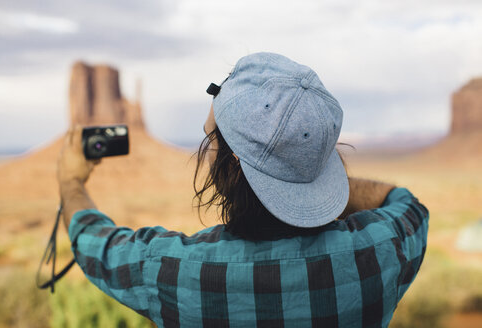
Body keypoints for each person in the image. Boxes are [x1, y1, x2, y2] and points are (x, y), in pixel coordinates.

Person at [57, 52, 429, 328]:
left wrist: (71, 180)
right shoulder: (382, 252)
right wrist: (308, 175)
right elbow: (406, 203)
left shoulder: (179, 271)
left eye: (212, 139)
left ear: (231, 165)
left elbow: (96, 243)